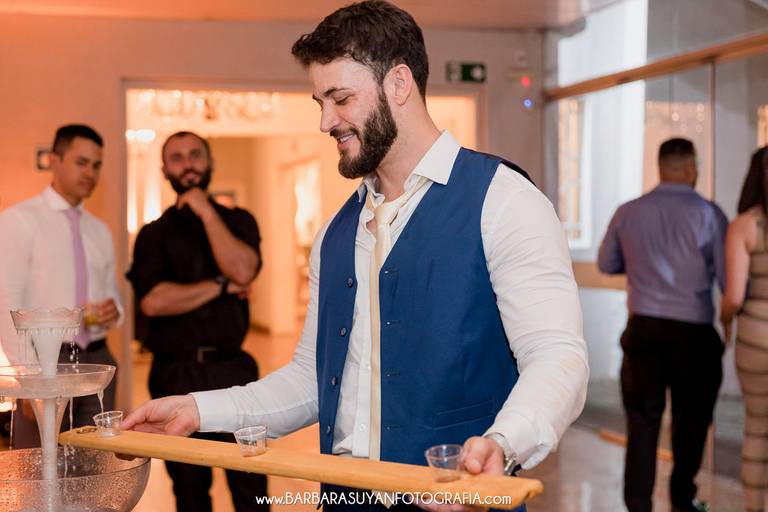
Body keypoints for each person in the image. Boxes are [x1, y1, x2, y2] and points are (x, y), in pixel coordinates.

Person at [125, 2, 589, 510]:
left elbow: (557, 355)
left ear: (399, 83)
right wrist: (196, 409)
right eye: (320, 102)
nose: (326, 121)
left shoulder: (504, 200)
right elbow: (311, 381)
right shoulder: (335, 232)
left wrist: (503, 443)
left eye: (341, 98)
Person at [125, 131, 267, 512]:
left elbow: (243, 269)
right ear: (164, 170)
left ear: (210, 163)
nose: (187, 164)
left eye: (195, 155)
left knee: (252, 484)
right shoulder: (152, 235)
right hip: (175, 374)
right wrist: (222, 286)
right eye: (177, 158)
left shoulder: (239, 221)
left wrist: (206, 211)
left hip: (234, 371)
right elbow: (153, 302)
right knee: (189, 491)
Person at [598, 137, 728, 512]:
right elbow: (726, 278)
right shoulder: (709, 214)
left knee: (642, 424)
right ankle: (682, 501)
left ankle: (638, 505)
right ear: (690, 167)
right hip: (693, 335)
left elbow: (607, 263)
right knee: (691, 423)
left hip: (644, 331)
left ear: (660, 167)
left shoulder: (628, 212)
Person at [0, 124, 122, 446]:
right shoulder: (19, 220)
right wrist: (29, 378)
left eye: (97, 165)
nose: (90, 173)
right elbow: (6, 302)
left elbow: (114, 299)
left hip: (97, 359)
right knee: (40, 464)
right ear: (54, 160)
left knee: (95, 463)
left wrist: (115, 312)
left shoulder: (100, 230)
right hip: (45, 361)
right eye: (82, 162)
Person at [720, 146, 768, 512]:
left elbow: (734, 296)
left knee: (757, 427)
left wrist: (725, 322)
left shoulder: (745, 225)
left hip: (757, 337)